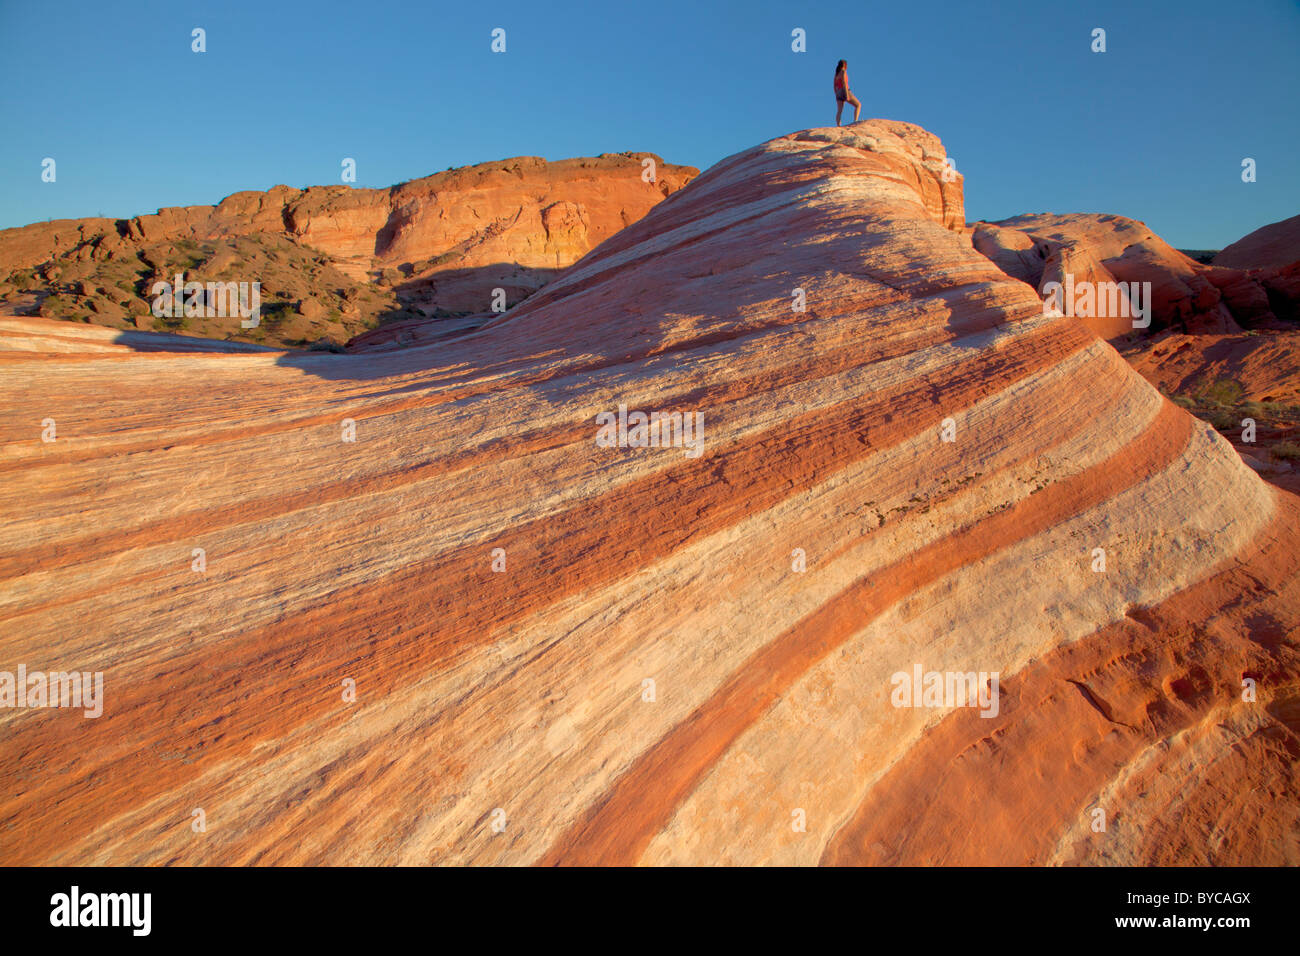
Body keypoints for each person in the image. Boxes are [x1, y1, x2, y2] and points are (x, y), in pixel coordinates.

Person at [834, 60, 861, 126]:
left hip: (838, 92)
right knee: (858, 105)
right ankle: (855, 121)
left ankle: (838, 125)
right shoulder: (843, 71)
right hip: (844, 90)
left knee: (839, 110)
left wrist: (836, 94)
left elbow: (834, 85)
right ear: (845, 65)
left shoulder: (836, 74)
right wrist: (846, 94)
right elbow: (844, 83)